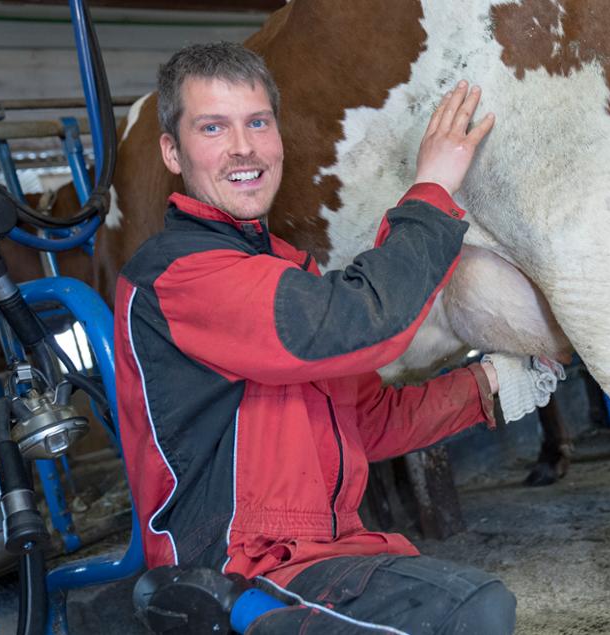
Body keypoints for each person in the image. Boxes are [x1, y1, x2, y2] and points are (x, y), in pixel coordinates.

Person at [114, 41, 562, 634]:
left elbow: (368, 422)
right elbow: (363, 321)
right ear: (173, 151)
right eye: (213, 127)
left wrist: (486, 386)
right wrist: (433, 189)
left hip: (322, 558)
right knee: (467, 608)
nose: (243, 147)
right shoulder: (181, 274)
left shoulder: (281, 271)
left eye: (257, 122)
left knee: (467, 600)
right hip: (228, 576)